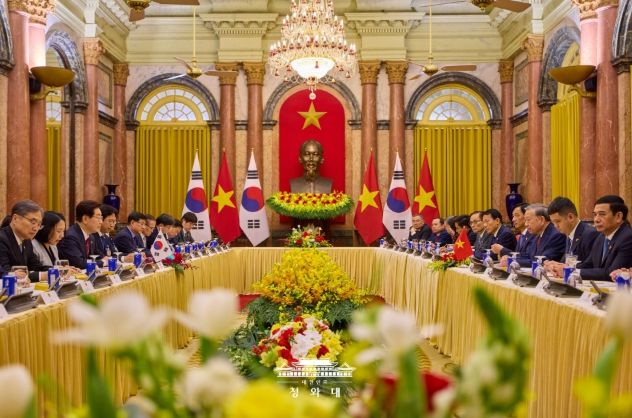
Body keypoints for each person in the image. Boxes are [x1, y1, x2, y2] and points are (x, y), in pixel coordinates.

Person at [575, 195, 632, 281]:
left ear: (618, 217)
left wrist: (575, 272)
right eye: (595, 215)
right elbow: (588, 264)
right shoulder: (601, 236)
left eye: (602, 214)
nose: (596, 220)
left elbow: (611, 273)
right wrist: (566, 268)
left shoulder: (627, 238)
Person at [544, 197, 599, 276]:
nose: (555, 226)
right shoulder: (569, 234)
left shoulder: (590, 234)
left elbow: (590, 266)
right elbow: (565, 263)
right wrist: (554, 265)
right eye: (553, 222)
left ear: (570, 217)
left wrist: (564, 268)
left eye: (558, 221)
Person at [500, 203, 565, 267]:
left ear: (541, 220)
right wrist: (511, 258)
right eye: (525, 220)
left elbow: (542, 261)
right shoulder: (537, 234)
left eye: (528, 220)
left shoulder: (556, 235)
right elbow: (529, 256)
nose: (526, 224)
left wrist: (512, 261)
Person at [0, 200, 49, 284]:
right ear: (15, 219)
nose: (35, 228)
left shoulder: (27, 241)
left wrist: (57, 270)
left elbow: (36, 266)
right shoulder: (2, 239)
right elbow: (6, 273)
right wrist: (42, 276)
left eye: (39, 224)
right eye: (33, 222)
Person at [58, 200, 105, 269]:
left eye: (101, 218)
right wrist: (103, 262)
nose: (101, 222)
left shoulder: (91, 237)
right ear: (85, 219)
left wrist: (104, 259)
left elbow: (100, 256)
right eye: (98, 218)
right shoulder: (71, 237)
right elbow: (79, 263)